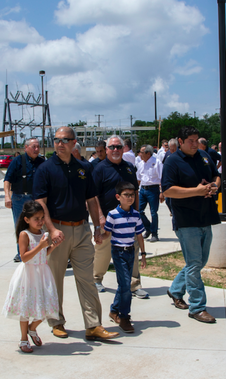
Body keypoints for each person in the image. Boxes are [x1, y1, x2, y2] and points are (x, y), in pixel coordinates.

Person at [33, 126, 119, 341]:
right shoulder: (45, 169)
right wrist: (51, 230)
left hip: (81, 230)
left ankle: (93, 325)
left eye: (64, 140)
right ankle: (57, 322)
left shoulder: (84, 168)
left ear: (73, 143)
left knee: (86, 279)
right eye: (56, 140)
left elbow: (91, 199)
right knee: (55, 280)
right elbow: (40, 202)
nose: (59, 144)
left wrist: (97, 226)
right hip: (57, 232)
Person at [161, 125, 221, 324]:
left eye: (197, 140)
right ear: (180, 141)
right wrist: (196, 191)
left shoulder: (204, 156)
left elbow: (215, 174)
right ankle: (197, 307)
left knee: (199, 262)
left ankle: (176, 289)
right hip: (186, 219)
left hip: (206, 215)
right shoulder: (172, 161)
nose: (195, 144)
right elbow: (167, 190)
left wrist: (215, 185)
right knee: (195, 264)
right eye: (190, 141)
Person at [92, 135, 149, 299]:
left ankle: (134, 284)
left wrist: (136, 213)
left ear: (123, 149)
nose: (115, 150)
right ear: (107, 149)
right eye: (112, 147)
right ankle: (96, 279)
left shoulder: (130, 168)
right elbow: (93, 195)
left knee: (133, 250)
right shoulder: (99, 168)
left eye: (118, 147)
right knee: (103, 250)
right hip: (108, 219)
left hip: (129, 218)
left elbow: (135, 192)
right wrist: (100, 216)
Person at [2, 201, 59, 353]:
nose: (40, 222)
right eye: (36, 219)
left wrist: (53, 246)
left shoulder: (43, 234)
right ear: (27, 219)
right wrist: (40, 246)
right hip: (28, 275)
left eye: (42, 218)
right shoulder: (24, 234)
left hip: (42, 273)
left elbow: (43, 254)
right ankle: (23, 338)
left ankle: (32, 328)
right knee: (25, 308)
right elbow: (24, 258)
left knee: (47, 305)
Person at [101, 181, 147, 333]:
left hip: (130, 252)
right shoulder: (112, 215)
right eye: (126, 195)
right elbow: (107, 234)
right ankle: (124, 317)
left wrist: (144, 254)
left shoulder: (136, 214)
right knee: (126, 284)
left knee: (123, 284)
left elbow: (139, 235)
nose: (130, 198)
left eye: (132, 195)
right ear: (118, 197)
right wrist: (99, 236)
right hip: (118, 252)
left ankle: (114, 310)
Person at [4, 138, 45, 262]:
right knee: (20, 225)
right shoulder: (17, 161)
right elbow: (7, 180)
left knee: (37, 225)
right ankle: (21, 253)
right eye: (33, 147)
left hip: (36, 198)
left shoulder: (42, 162)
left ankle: (37, 251)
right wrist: (7, 196)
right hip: (19, 199)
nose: (36, 149)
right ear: (26, 148)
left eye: (38, 147)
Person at [136, 144, 164, 242]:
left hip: (153, 190)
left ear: (148, 153)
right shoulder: (140, 163)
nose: (140, 154)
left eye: (142, 152)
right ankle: (148, 228)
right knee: (138, 211)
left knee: (153, 212)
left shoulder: (157, 163)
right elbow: (138, 179)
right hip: (142, 189)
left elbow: (162, 178)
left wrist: (162, 192)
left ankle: (154, 233)